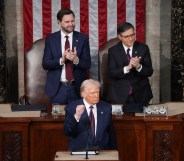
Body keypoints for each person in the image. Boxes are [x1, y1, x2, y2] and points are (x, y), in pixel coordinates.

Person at [42, 8, 91, 104]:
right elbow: (45, 64)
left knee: (78, 118)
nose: (71, 24)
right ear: (59, 22)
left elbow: (87, 64)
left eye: (72, 21)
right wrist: (61, 60)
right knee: (57, 118)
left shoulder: (82, 38)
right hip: (58, 89)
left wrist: (76, 60)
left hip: (77, 88)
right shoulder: (51, 39)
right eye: (67, 22)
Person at [107, 22, 153, 112]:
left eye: (133, 35)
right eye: (127, 36)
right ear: (120, 37)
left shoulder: (143, 48)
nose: (131, 39)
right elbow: (112, 73)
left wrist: (138, 66)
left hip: (141, 94)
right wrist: (127, 68)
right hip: (120, 95)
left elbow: (149, 72)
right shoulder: (113, 51)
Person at [64, 79, 117, 150]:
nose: (96, 95)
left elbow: (110, 132)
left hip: (102, 152)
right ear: (83, 94)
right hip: (80, 151)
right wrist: (76, 116)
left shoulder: (106, 107)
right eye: (93, 93)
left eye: (98, 92)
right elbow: (67, 131)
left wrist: (114, 151)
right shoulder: (72, 107)